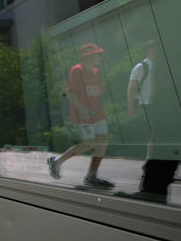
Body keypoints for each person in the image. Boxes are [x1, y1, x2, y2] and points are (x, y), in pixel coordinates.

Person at [119, 40, 180, 202]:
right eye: (151, 47)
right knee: (157, 136)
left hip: (161, 105)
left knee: (157, 137)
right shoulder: (142, 66)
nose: (154, 50)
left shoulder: (163, 65)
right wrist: (131, 108)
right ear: (146, 50)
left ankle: (152, 173)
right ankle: (151, 171)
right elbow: (131, 87)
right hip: (150, 105)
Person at [47, 43, 114, 190]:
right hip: (82, 113)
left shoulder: (97, 72)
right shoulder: (76, 70)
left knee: (102, 142)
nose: (99, 56)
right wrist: (82, 108)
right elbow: (70, 93)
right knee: (90, 143)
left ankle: (92, 176)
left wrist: (102, 111)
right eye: (97, 54)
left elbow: (98, 93)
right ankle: (57, 161)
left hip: (97, 113)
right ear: (88, 56)